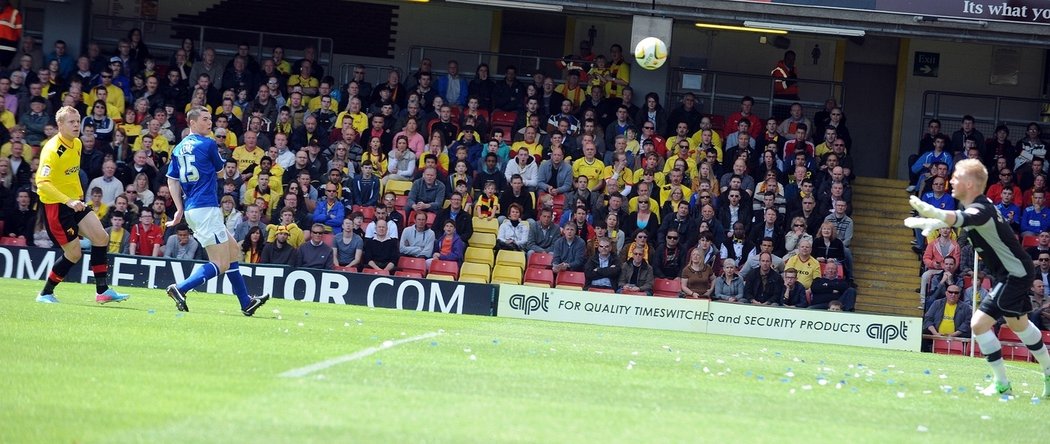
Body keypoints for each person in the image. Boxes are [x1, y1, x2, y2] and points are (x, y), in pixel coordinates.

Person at [906, 158, 1050, 397]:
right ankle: (1047, 370)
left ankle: (1002, 383)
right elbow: (961, 218)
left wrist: (931, 211)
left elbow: (961, 219)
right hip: (1014, 272)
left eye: (956, 177)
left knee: (979, 324)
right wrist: (931, 221)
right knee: (1018, 324)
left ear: (970, 184)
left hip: (1014, 274)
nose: (951, 181)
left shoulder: (980, 209)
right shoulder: (979, 207)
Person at [165, 107, 270, 316]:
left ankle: (245, 302)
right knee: (220, 263)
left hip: (194, 210)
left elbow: (172, 179)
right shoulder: (208, 143)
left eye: (210, 119)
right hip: (206, 209)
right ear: (192, 123)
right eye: (205, 119)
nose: (210, 123)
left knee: (232, 251)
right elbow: (221, 171)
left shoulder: (178, 148)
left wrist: (178, 209)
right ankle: (181, 288)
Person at [34, 106, 128, 304]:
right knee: (74, 253)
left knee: (101, 237)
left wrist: (77, 197)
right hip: (56, 207)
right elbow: (42, 183)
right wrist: (68, 200)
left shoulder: (76, 143)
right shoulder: (52, 150)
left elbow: (72, 174)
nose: (76, 125)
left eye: (78, 121)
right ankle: (45, 294)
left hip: (75, 202)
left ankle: (102, 291)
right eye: (71, 122)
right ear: (60, 124)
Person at [921, 284, 973, 352]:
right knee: (923, 332)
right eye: (950, 292)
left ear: (959, 294)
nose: (953, 294)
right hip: (936, 333)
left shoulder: (966, 307)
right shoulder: (937, 303)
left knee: (968, 335)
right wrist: (935, 333)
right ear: (946, 293)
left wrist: (953, 334)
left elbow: (967, 323)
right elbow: (928, 319)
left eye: (956, 293)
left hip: (957, 335)